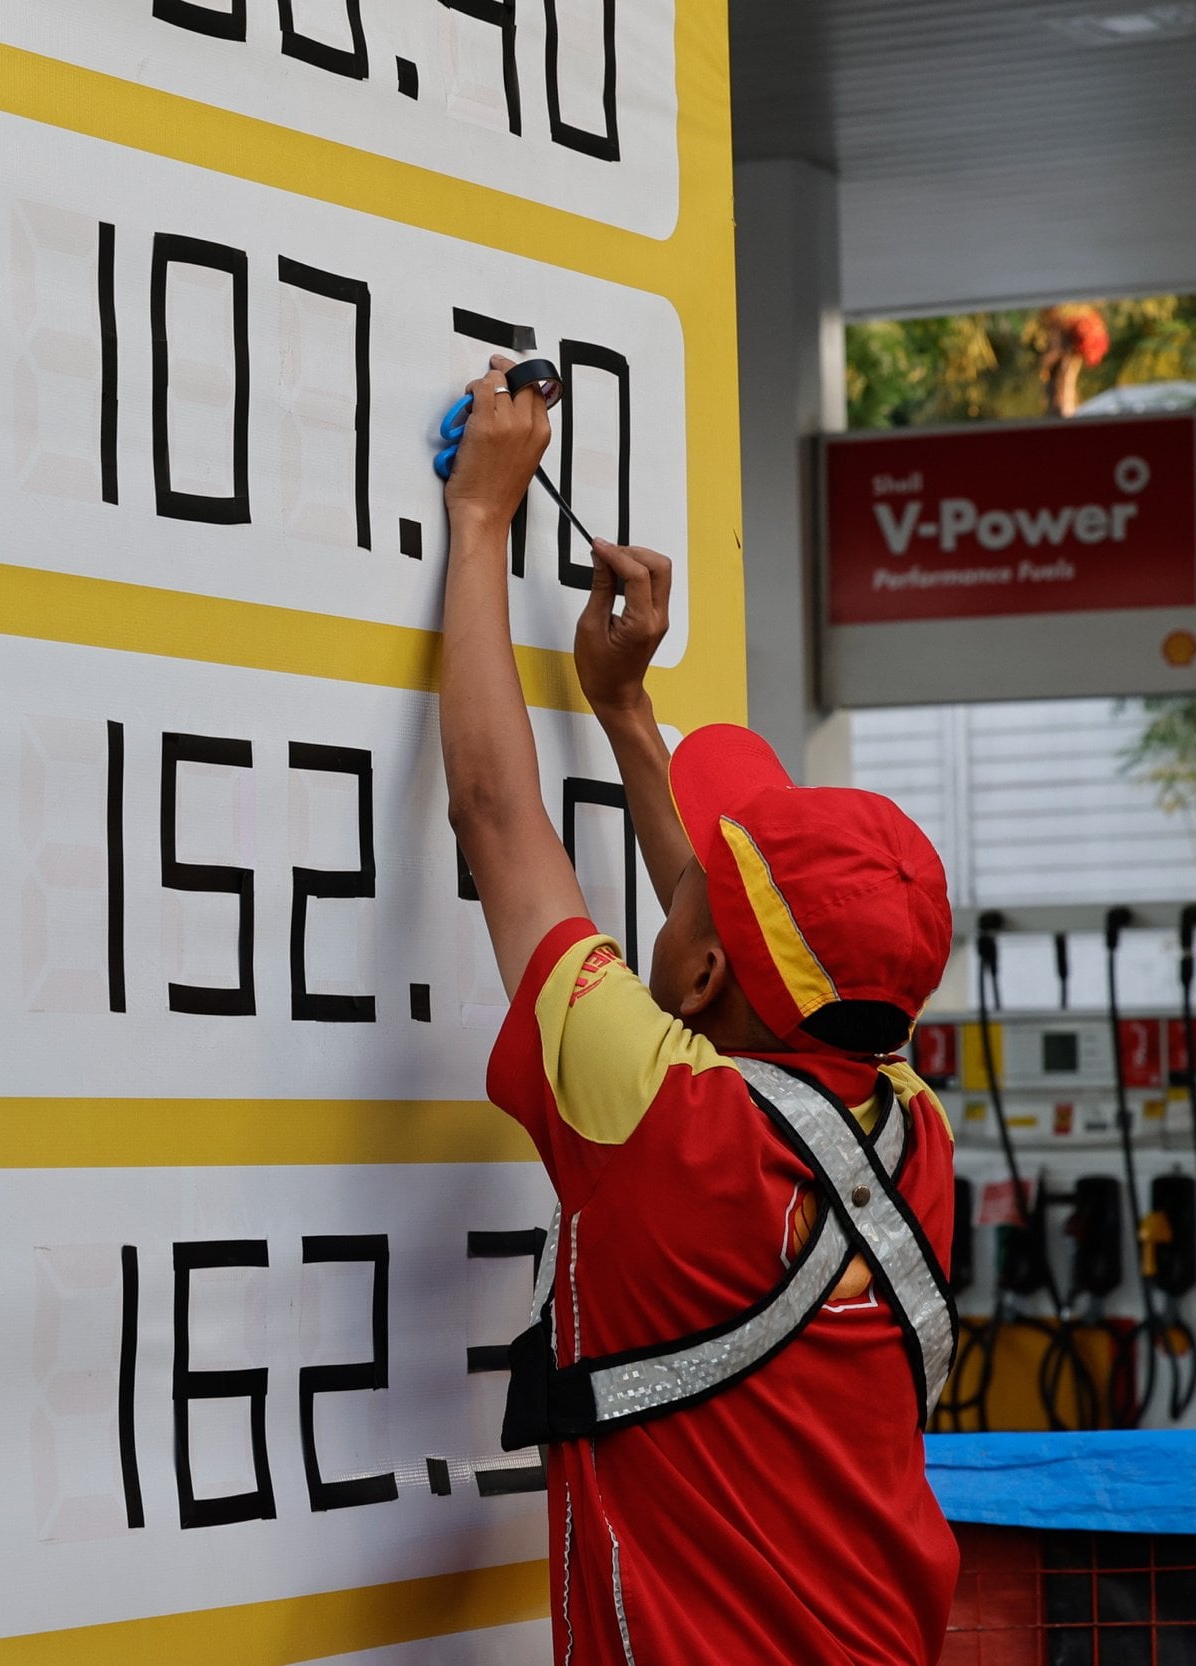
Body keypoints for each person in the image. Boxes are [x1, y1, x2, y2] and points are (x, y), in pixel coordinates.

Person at [436, 360, 960, 1665]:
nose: (672, 884)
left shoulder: (668, 1119)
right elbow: (714, 928)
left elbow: (499, 820)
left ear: (709, 977)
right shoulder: (912, 1127)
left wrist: (483, 522)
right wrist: (623, 709)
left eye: (699, 897)